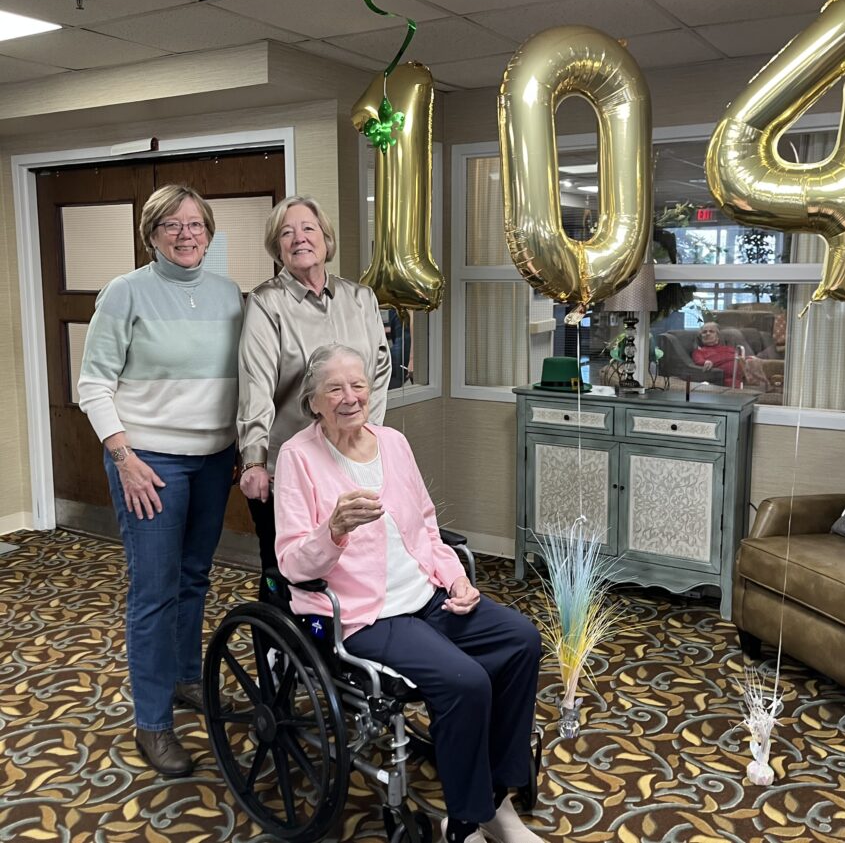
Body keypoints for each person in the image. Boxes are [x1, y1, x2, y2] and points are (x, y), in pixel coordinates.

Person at [274, 344, 543, 843]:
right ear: (313, 401)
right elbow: (291, 563)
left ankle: (498, 800)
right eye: (334, 388)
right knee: (465, 682)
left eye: (358, 385)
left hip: (427, 595)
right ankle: (465, 823)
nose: (349, 397)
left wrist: (456, 579)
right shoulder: (298, 458)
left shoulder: (393, 442)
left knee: (522, 640)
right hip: (366, 616)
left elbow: (426, 527)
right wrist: (331, 530)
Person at [77, 185, 243, 777]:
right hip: (148, 461)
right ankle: (152, 723)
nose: (185, 233)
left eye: (195, 223)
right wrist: (123, 456)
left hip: (213, 457)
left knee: (194, 576)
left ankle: (182, 679)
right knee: (153, 589)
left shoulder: (229, 295)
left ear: (209, 231)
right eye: (171, 225)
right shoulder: (125, 293)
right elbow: (93, 383)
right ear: (151, 234)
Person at [237, 196, 390, 599]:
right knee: (287, 570)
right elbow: (256, 383)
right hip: (292, 465)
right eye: (286, 233)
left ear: (326, 238)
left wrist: (369, 439)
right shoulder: (267, 303)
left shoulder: (361, 298)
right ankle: (277, 655)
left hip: (351, 460)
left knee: (349, 561)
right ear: (277, 247)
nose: (299, 238)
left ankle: (339, 651)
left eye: (308, 228)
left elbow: (379, 372)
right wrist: (254, 459)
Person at [691, 321, 768, 389]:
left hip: (742, 370)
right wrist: (705, 362)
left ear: (717, 337)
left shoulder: (728, 348)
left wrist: (749, 358)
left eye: (711, 331)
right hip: (727, 374)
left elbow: (740, 357)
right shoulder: (699, 351)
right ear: (701, 337)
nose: (708, 333)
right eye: (704, 332)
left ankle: (765, 384)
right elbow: (698, 360)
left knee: (755, 360)